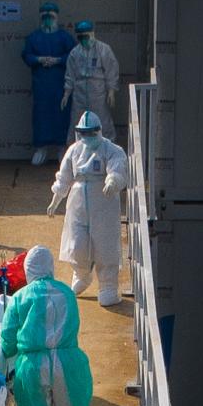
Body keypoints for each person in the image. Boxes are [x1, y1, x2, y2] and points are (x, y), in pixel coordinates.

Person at [0, 245, 93, 406]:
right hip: (69, 361)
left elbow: (8, 338)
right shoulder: (67, 293)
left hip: (33, 364)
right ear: (51, 267)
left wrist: (6, 353)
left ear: (28, 270)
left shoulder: (20, 297)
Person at [47, 110, 128, 307]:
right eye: (83, 133)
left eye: (91, 133)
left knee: (105, 243)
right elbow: (64, 177)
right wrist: (56, 199)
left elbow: (118, 167)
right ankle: (82, 273)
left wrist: (112, 180)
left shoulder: (112, 149)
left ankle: (108, 286)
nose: (87, 137)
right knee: (77, 242)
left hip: (103, 202)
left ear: (98, 131)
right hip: (78, 201)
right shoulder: (74, 150)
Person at [22, 2, 75, 165]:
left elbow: (73, 55)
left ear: (56, 17)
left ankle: (62, 148)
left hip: (61, 85)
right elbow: (26, 55)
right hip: (41, 86)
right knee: (41, 116)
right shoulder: (34, 37)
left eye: (50, 16)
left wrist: (58, 60)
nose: (47, 20)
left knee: (62, 115)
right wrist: (39, 59)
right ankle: (41, 148)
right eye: (44, 17)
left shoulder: (64, 37)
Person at [61, 20, 119, 142]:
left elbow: (111, 71)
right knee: (77, 120)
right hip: (79, 93)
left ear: (92, 34)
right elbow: (70, 75)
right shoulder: (75, 53)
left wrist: (111, 91)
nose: (84, 40)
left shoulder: (103, 49)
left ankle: (108, 145)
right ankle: (76, 147)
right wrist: (66, 93)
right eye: (81, 37)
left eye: (86, 36)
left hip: (97, 92)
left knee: (102, 120)